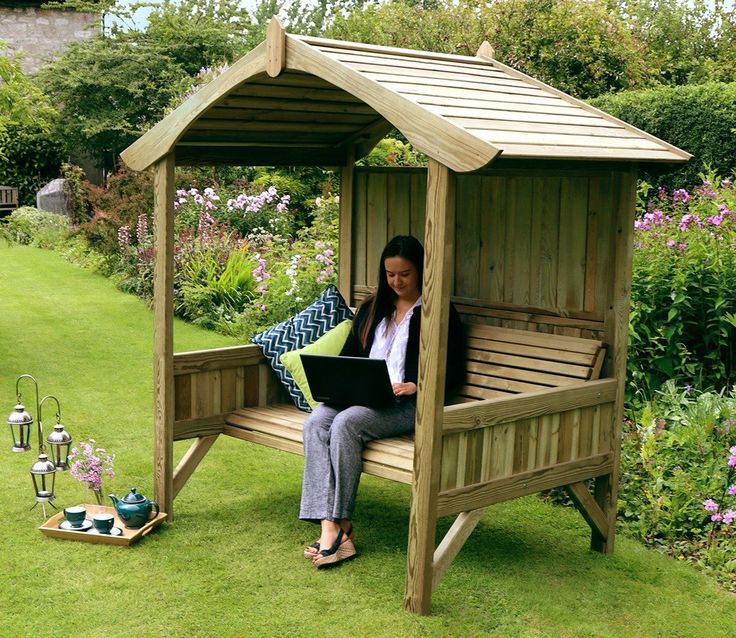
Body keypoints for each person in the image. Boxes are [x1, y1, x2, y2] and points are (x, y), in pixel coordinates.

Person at [299, 235, 465, 567]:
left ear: (420, 270)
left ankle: (343, 523)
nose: (396, 281)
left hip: (406, 405)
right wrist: (340, 384)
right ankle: (329, 525)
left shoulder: (437, 312)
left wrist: (418, 385)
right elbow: (348, 358)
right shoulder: (373, 307)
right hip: (362, 395)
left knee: (346, 423)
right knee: (316, 421)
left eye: (404, 273)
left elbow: (455, 370)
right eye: (390, 274)